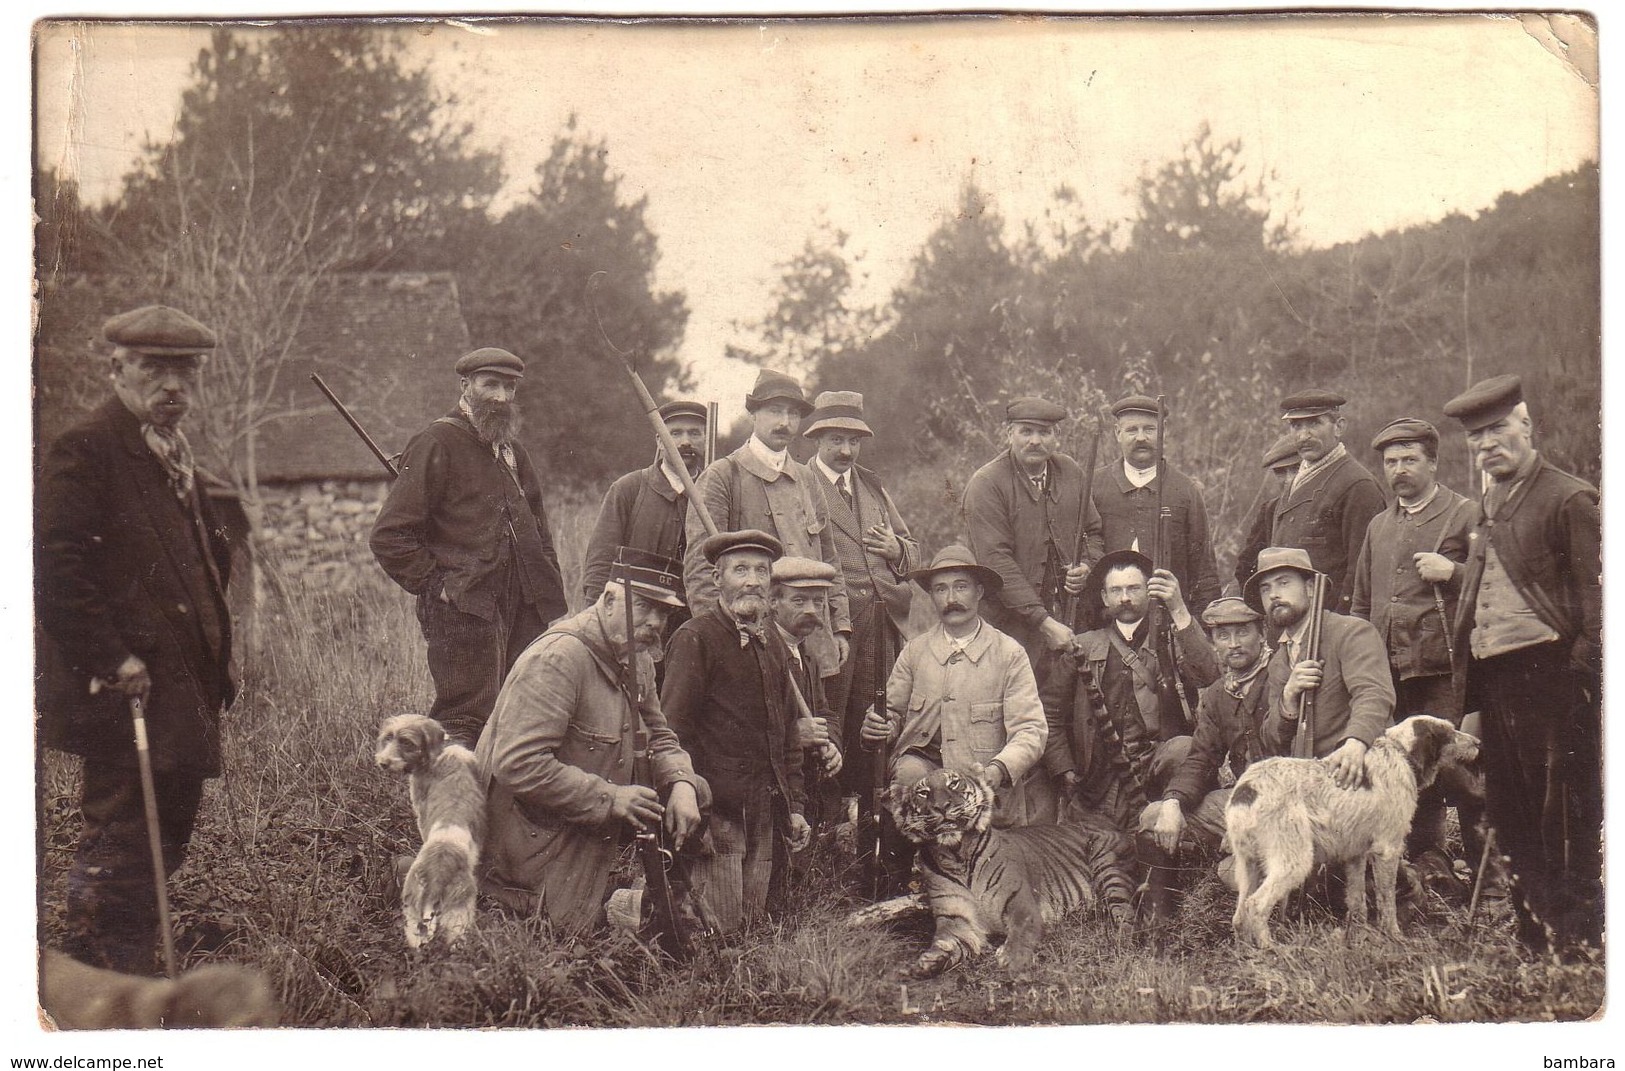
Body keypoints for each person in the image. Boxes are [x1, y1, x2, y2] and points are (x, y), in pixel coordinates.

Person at [38, 305, 236, 974]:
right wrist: (111, 656)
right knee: (122, 838)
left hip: (178, 687)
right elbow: (57, 566)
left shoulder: (171, 452)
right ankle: (97, 978)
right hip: (126, 687)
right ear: (116, 367)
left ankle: (131, 960)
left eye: (185, 370)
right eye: (155, 368)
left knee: (164, 835)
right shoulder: (88, 446)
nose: (172, 385)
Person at [1443, 375, 1601, 957]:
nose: (1488, 445)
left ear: (1527, 424)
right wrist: (1475, 698)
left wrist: (1582, 678)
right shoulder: (1487, 508)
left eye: (1498, 429)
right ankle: (1533, 931)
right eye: (1477, 437)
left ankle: (1581, 936)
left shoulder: (1568, 497)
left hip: (1552, 677)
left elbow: (1600, 601)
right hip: (1497, 679)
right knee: (1509, 813)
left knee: (1565, 813)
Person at [476, 549, 702, 936]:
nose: (654, 622)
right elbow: (517, 764)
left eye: (664, 613)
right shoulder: (559, 659)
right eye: (644, 606)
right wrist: (611, 798)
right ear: (609, 600)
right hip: (525, 837)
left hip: (581, 826)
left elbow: (659, 734)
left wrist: (682, 782)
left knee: (701, 794)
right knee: (553, 936)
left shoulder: (637, 656)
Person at [370, 347, 568, 747]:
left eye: (508, 387)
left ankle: (503, 806)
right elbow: (390, 535)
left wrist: (548, 588)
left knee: (522, 716)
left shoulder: (514, 452)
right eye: (489, 384)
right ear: (466, 385)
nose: (499, 396)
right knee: (465, 720)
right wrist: (438, 585)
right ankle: (451, 805)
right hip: (464, 607)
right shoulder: (436, 441)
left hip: (526, 606)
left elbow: (539, 530)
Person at [1039, 549, 1219, 933]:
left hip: (1158, 771)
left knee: (1183, 753)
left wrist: (1181, 611)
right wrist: (1064, 767)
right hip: (1097, 778)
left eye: (1134, 588)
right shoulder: (1081, 646)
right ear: (1103, 598)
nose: (1125, 598)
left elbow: (1209, 674)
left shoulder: (1170, 639)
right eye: (1116, 590)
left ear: (1148, 593)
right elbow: (1050, 713)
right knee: (1100, 855)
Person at [1349, 417, 1481, 890]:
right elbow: (1363, 603)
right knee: (1406, 775)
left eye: (1410, 460)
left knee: (1462, 774)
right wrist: (1362, 663)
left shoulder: (1465, 514)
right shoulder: (1379, 526)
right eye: (1390, 462)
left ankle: (1488, 887)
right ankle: (1429, 865)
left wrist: (1454, 572)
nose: (1399, 470)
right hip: (1390, 671)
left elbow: (1498, 586)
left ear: (1433, 462)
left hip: (1447, 671)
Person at [662, 530, 813, 933]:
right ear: (717, 580)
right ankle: (631, 910)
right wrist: (692, 798)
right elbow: (672, 732)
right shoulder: (696, 638)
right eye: (740, 570)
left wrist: (795, 805)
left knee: (749, 925)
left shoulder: (773, 645)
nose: (751, 581)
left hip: (763, 810)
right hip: (719, 814)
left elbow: (787, 737)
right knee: (714, 929)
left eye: (761, 571)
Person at [859, 546, 1050, 829]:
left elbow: (1031, 731)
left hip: (982, 793)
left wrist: (998, 769)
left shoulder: (1009, 654)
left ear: (979, 592)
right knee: (906, 789)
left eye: (961, 587)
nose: (951, 599)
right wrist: (879, 727)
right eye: (940, 589)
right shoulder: (915, 652)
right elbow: (892, 713)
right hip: (920, 789)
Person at [683, 370, 852, 684]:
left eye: (793, 414)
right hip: (752, 643)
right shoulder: (722, 476)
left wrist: (840, 627)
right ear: (753, 414)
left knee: (819, 728)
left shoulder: (808, 479)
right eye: (775, 411)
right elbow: (700, 571)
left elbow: (830, 560)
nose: (784, 422)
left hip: (812, 640)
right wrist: (722, 642)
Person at [800, 390, 919, 813]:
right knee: (829, 716)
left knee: (876, 720)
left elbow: (914, 555)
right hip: (833, 622)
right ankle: (824, 820)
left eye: (853, 441)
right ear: (816, 440)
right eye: (836, 440)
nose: (846, 450)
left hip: (882, 622)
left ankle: (870, 816)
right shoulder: (800, 483)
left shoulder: (871, 484)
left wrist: (895, 549)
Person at [1138, 598, 1273, 925]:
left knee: (1232, 874)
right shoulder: (1216, 694)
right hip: (1243, 802)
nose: (1234, 644)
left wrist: (1244, 822)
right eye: (1223, 636)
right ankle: (1163, 917)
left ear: (1262, 633)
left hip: (1287, 806)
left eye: (1243, 632)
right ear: (1213, 644)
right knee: (1154, 816)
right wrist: (1172, 802)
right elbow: (1201, 758)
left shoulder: (1280, 678)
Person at [961, 396, 1104, 679]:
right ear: (1009, 434)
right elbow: (996, 561)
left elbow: (1095, 532)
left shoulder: (1071, 472)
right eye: (1026, 431)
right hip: (1010, 628)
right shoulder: (986, 484)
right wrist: (1044, 622)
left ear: (1057, 437)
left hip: (1072, 622)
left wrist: (1088, 566)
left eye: (1044, 432)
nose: (1035, 441)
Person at [1249, 547, 1394, 778]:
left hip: (1362, 769)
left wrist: (1356, 742)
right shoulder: (1278, 660)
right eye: (1265, 589)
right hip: (1311, 779)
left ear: (1310, 588)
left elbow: (1374, 695)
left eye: (1283, 583)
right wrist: (1288, 697)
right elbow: (1273, 740)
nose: (1274, 595)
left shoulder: (1351, 632)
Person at [1091, 394, 1221, 619]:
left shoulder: (1185, 490)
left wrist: (1203, 630)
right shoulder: (1094, 487)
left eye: (1149, 429)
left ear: (1164, 431)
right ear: (1117, 433)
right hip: (1105, 623)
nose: (1141, 438)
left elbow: (1203, 569)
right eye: (1132, 430)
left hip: (1166, 623)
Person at [1267, 389, 1386, 613]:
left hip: (1328, 628)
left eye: (1314, 424)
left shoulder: (1358, 486)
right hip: (1289, 624)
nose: (1303, 436)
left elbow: (1361, 575)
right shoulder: (1297, 479)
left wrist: (1342, 630)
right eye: (1296, 426)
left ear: (1338, 427)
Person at [581, 400, 708, 605]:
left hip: (693, 618)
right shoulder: (628, 489)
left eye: (695, 433)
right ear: (659, 440)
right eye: (675, 433)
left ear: (706, 439)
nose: (685, 442)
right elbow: (600, 563)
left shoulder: (715, 493)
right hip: (635, 616)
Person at [1233, 433, 1301, 595]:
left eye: (1296, 469)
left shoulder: (1327, 503)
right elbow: (1246, 567)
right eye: (1280, 472)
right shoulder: (1270, 510)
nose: (1288, 479)